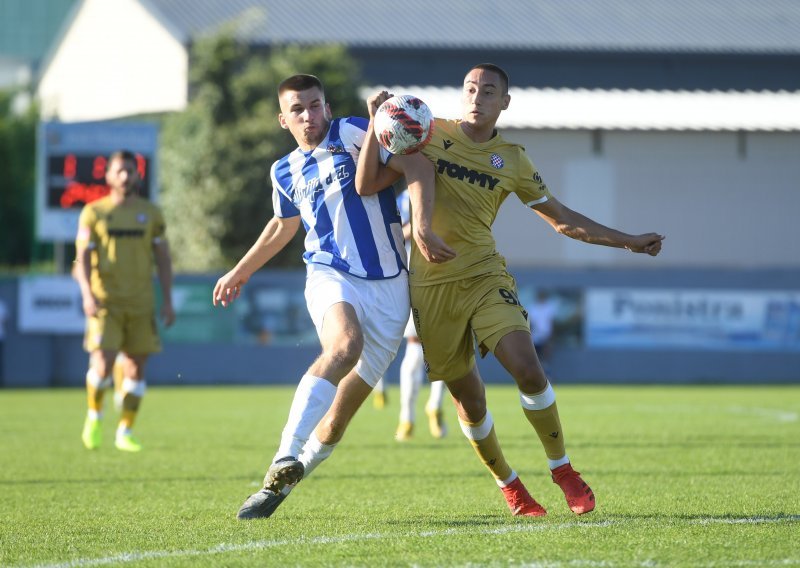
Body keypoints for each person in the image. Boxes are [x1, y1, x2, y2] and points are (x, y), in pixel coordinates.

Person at [358, 63, 664, 517]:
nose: (477, 96)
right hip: (430, 286)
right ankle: (510, 485)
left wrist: (628, 241)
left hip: (484, 274)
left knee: (528, 367)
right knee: (470, 400)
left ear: (505, 102)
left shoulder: (514, 159)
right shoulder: (424, 131)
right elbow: (366, 184)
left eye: (488, 90)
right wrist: (375, 122)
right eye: (470, 88)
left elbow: (563, 220)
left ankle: (562, 469)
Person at [212, 74, 453, 520]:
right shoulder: (282, 170)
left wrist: (420, 225)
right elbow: (283, 225)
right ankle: (285, 453)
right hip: (329, 272)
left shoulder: (356, 130)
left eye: (315, 105)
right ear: (283, 120)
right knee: (343, 346)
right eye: (298, 110)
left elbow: (416, 167)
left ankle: (277, 488)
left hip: (390, 289)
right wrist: (239, 271)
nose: (309, 115)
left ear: (327, 105)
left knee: (338, 419)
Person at [73, 149, 176, 452]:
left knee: (135, 368)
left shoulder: (151, 213)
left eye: (129, 171)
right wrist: (87, 296)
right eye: (118, 171)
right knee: (102, 364)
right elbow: (82, 258)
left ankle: (125, 430)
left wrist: (167, 300)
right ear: (108, 176)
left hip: (141, 301)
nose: (124, 176)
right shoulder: (93, 212)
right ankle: (94, 416)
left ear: (137, 174)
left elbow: (163, 258)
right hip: (106, 302)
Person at [393, 188, 447, 441]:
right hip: (418, 274)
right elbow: (396, 233)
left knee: (445, 346)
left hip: (442, 274)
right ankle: (413, 414)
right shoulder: (407, 197)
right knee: (420, 348)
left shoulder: (447, 189)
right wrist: (421, 230)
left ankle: (425, 410)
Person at [527, 289, 558, 374]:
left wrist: (552, 337)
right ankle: (536, 376)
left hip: (546, 336)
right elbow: (529, 323)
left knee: (545, 358)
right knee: (535, 358)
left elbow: (552, 323)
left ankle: (547, 377)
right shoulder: (532, 307)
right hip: (534, 337)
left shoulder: (549, 308)